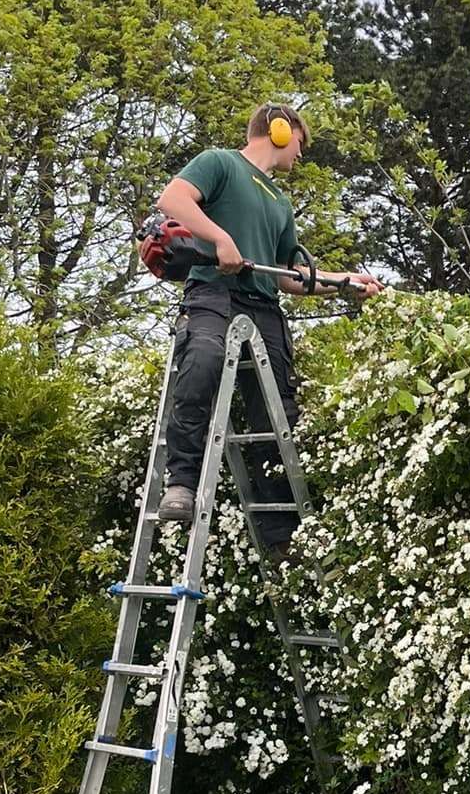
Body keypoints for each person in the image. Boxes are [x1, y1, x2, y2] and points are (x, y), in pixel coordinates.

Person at [147, 104, 381, 550]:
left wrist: (345, 283)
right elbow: (172, 200)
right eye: (300, 142)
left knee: (276, 415)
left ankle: (279, 533)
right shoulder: (220, 163)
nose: (301, 153)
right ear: (279, 130)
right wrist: (220, 240)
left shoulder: (280, 201)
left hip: (264, 306)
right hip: (213, 293)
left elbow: (292, 277)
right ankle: (181, 482)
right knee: (203, 362)